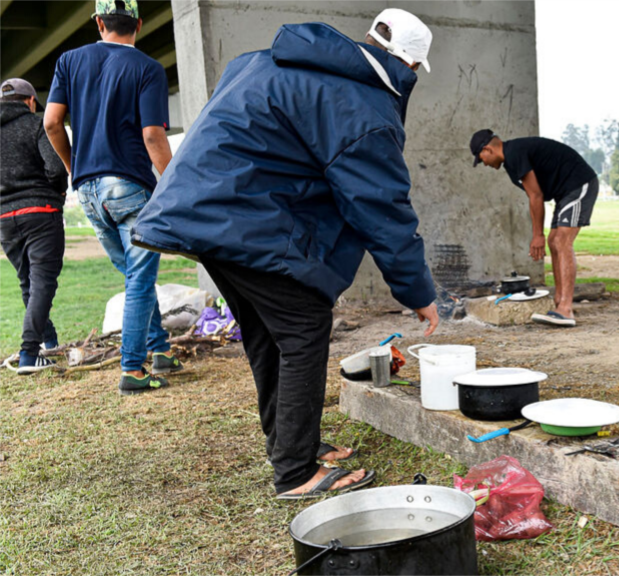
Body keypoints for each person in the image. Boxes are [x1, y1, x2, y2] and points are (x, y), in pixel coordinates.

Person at [131, 10, 440, 499]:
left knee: (266, 334)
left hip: (211, 218)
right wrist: (418, 291)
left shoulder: (261, 62)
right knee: (302, 331)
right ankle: (296, 473)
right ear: (407, 64)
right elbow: (381, 207)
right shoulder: (363, 105)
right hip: (246, 224)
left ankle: (293, 444)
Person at [43, 0, 183, 394]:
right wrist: (174, 185)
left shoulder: (69, 60)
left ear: (99, 23)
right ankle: (133, 369)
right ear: (138, 24)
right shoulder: (148, 69)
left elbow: (52, 122)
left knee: (134, 274)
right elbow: (153, 135)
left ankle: (159, 350)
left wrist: (74, 168)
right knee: (140, 276)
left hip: (88, 189)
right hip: (129, 186)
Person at [470, 130, 599, 327]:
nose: (484, 164)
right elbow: (538, 193)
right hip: (564, 192)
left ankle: (565, 309)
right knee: (554, 242)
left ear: (488, 149)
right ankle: (559, 303)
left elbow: (536, 196)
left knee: (561, 241)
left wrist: (537, 234)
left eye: (482, 159)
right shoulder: (511, 159)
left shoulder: (514, 154)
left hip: (579, 184)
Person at [0, 78, 69, 374]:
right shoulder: (36, 123)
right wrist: (59, 191)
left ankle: (48, 341)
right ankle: (29, 353)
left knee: (28, 281)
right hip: (40, 211)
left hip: (4, 218)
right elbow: (55, 167)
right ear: (30, 101)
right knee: (42, 282)